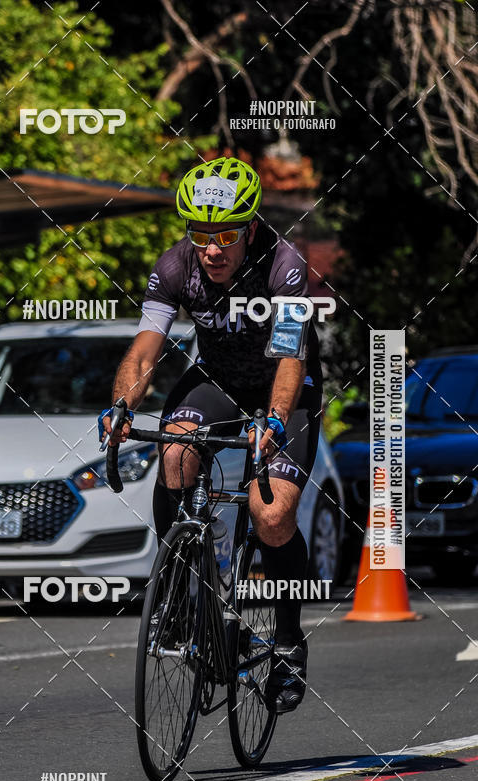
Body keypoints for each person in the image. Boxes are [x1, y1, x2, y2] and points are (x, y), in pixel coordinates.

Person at [99, 156, 323, 714]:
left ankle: (289, 643)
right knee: (175, 447)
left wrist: (273, 419)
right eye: (201, 235)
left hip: (284, 387)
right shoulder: (176, 267)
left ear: (249, 228)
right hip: (219, 380)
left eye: (225, 234)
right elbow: (147, 346)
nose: (213, 249)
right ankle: (181, 592)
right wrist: (123, 404)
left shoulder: (284, 264)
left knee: (271, 516)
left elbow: (291, 353)